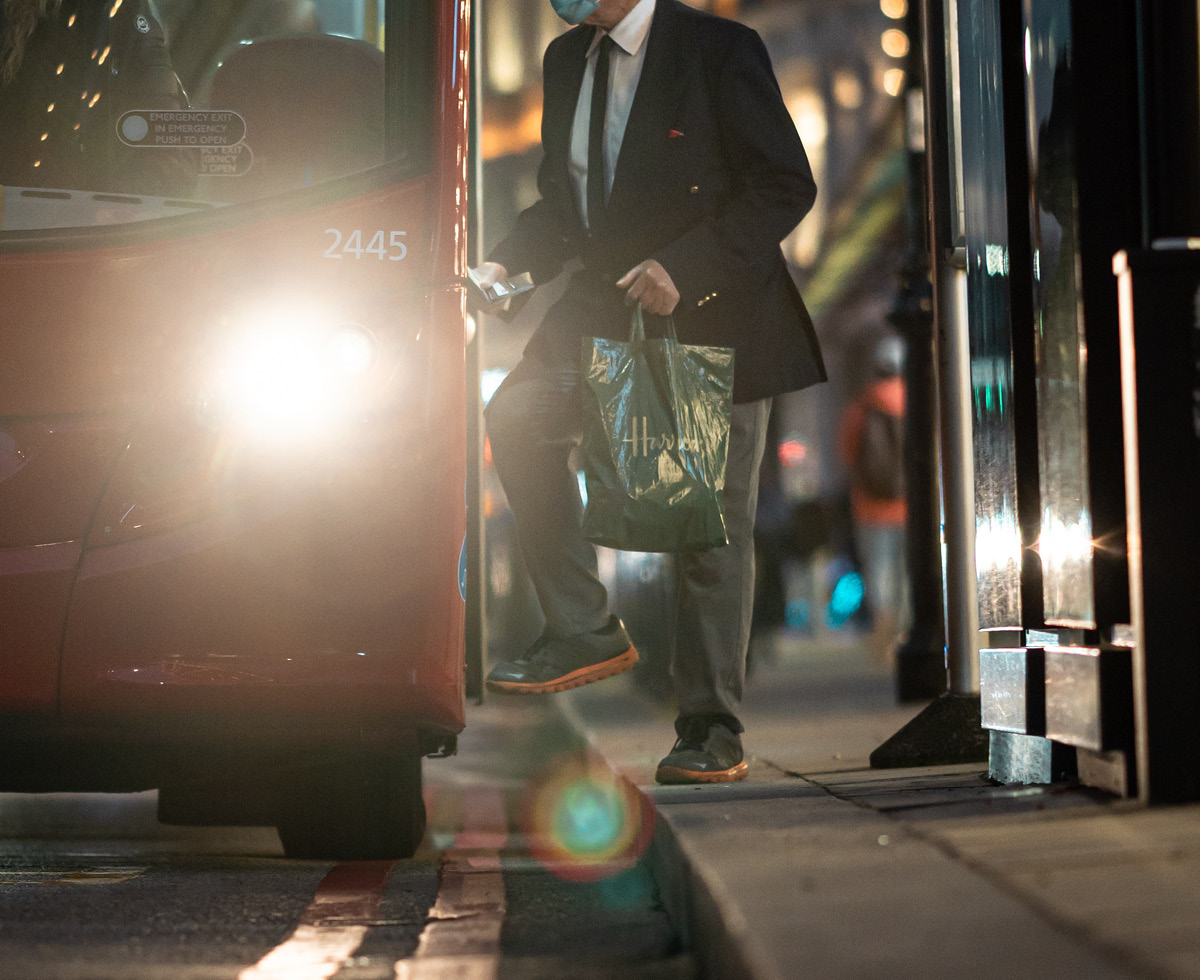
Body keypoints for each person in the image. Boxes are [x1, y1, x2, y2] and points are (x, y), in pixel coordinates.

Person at [476, 0, 824, 785]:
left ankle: (710, 726)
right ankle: (583, 625)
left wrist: (686, 268)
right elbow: (564, 207)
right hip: (601, 311)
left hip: (712, 314)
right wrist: (504, 266)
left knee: (707, 525)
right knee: (518, 417)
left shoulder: (717, 49)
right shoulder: (566, 61)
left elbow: (782, 185)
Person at [0, 0, 194, 198]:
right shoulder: (15, 20)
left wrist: (121, 200)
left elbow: (164, 133)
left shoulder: (124, 18)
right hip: (22, 199)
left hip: (90, 203)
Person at [838, 334, 908, 664]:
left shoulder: (862, 406)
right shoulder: (913, 401)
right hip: (908, 507)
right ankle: (904, 636)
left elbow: (847, 452)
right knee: (904, 573)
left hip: (869, 507)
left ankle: (882, 637)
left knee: (877, 572)